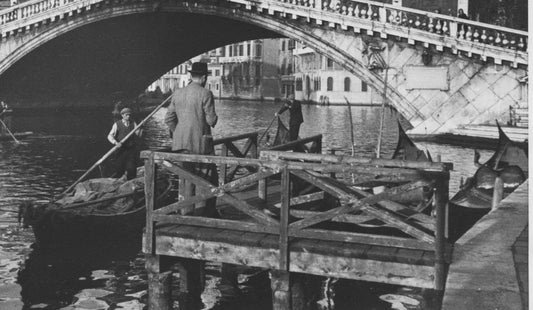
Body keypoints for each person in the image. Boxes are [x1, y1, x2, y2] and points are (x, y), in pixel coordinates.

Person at [164, 62, 218, 216]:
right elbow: (211, 121)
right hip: (200, 145)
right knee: (202, 179)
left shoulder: (178, 93)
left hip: (180, 145)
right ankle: (199, 215)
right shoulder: (205, 93)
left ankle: (185, 213)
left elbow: (168, 119)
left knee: (185, 179)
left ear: (191, 75)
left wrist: (179, 133)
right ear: (204, 77)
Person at [107, 107, 142, 180]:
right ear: (122, 115)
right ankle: (117, 185)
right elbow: (110, 136)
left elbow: (138, 134)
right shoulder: (117, 124)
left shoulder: (133, 123)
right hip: (120, 150)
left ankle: (131, 185)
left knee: (131, 169)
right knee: (119, 169)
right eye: (126, 115)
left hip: (130, 150)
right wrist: (116, 143)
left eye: (129, 115)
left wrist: (141, 128)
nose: (128, 116)